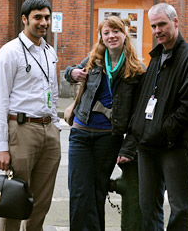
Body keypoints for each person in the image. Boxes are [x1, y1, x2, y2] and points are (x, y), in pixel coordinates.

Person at [131, 3, 188, 231]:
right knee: (148, 206)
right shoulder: (156, 57)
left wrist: (163, 131)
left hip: (174, 145)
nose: (157, 30)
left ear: (175, 22)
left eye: (161, 24)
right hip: (148, 146)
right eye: (153, 26)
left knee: (181, 208)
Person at [64, 16, 144, 231]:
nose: (111, 36)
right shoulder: (94, 59)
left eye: (116, 31)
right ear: (101, 37)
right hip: (81, 133)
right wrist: (72, 73)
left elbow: (138, 114)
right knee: (80, 191)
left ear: (124, 34)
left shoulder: (136, 69)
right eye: (106, 33)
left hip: (108, 137)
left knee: (98, 191)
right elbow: (69, 73)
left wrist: (129, 147)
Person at [0, 0, 61, 231]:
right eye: (38, 18)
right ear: (25, 19)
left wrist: (55, 125)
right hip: (21, 130)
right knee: (15, 196)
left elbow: (52, 91)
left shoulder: (49, 52)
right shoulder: (9, 52)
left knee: (42, 200)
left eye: (47, 17)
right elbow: (0, 102)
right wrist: (2, 147)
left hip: (48, 130)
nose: (44, 22)